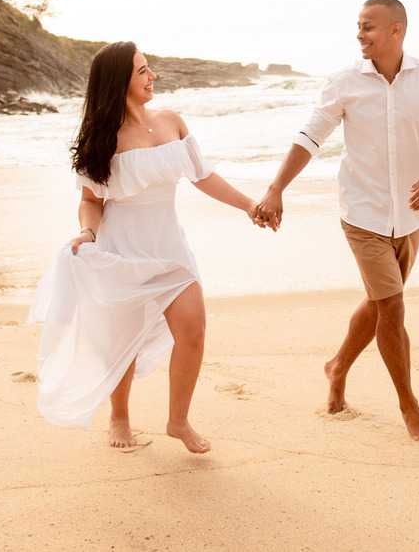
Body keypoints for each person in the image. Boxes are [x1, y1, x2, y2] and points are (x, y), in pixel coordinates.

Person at [27, 41, 262, 452]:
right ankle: (119, 417)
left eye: (149, 68)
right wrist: (87, 234)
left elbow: (203, 175)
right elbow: (90, 201)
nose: (152, 76)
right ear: (120, 81)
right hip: (122, 252)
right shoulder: (101, 140)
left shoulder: (171, 120)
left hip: (169, 245)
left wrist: (249, 205)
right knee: (124, 341)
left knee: (193, 330)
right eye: (142, 71)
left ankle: (178, 421)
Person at [253, 0, 419, 442]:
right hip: (362, 212)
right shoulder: (345, 82)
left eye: (368, 26)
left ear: (396, 30)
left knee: (377, 303)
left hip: (411, 214)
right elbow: (310, 136)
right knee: (392, 304)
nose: (360, 34)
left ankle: (336, 367)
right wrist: (275, 189)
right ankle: (410, 407)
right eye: (358, 26)